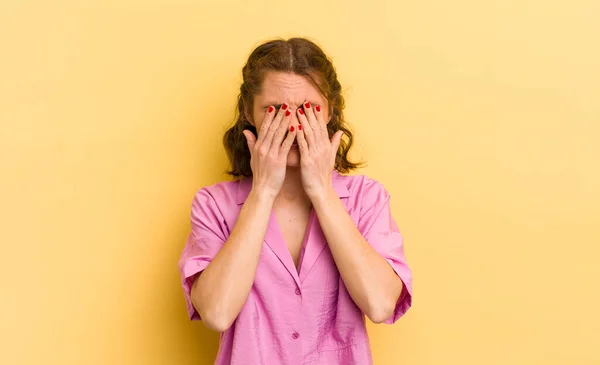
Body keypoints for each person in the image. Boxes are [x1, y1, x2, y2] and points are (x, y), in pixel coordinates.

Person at [178, 37, 413, 365]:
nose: (291, 124)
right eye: (273, 110)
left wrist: (322, 191)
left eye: (307, 110)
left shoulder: (366, 199)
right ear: (249, 112)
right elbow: (217, 313)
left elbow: (380, 304)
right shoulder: (213, 205)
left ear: (329, 110)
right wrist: (262, 193)